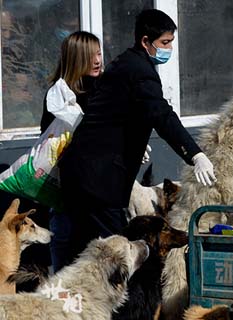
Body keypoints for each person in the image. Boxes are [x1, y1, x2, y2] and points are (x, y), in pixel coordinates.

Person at [58, 9, 216, 264]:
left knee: (85, 256)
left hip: (86, 176)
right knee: (115, 256)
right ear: (145, 41)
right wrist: (195, 154)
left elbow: (117, 112)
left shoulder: (125, 63)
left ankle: (75, 302)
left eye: (172, 42)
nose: (170, 48)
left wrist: (128, 141)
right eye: (165, 43)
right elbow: (161, 114)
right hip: (97, 180)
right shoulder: (140, 71)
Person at [40, 31, 102, 272]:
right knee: (65, 266)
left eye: (99, 53)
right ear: (75, 59)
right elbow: (49, 140)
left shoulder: (103, 90)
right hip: (67, 194)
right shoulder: (59, 97)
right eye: (90, 56)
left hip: (96, 195)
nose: (97, 60)